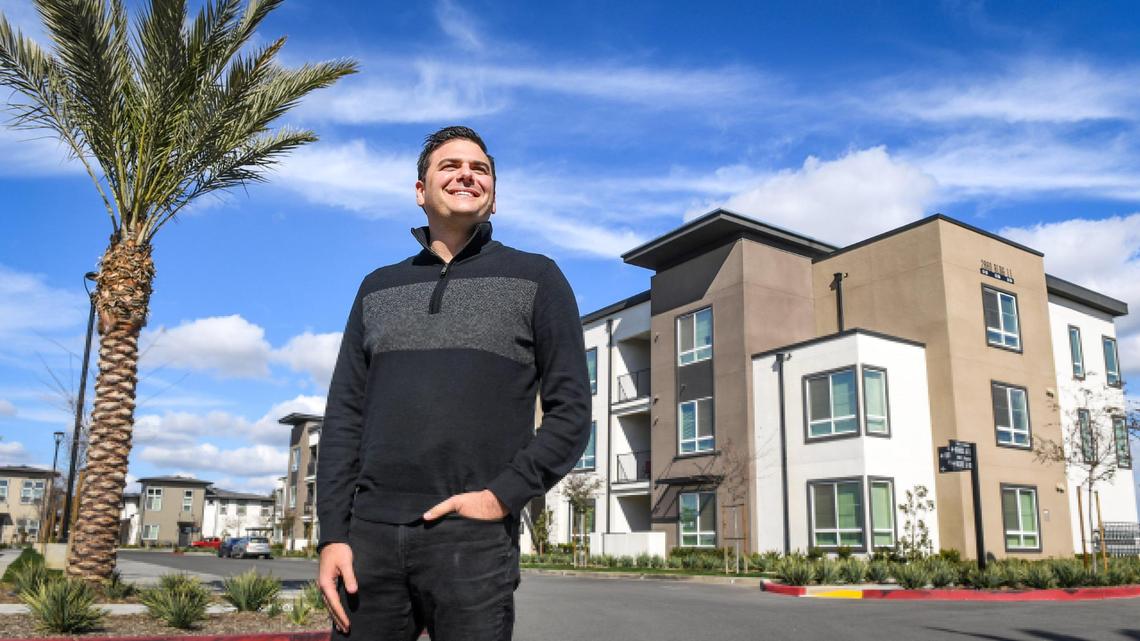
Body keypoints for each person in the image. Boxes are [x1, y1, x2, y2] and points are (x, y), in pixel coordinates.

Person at [316, 125, 592, 641]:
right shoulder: (377, 287)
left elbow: (572, 411)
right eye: (450, 165)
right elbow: (343, 418)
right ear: (420, 191)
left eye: (480, 168)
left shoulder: (538, 278)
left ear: (493, 196)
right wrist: (333, 535)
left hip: (473, 537)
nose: (467, 173)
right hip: (369, 538)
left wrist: (500, 497)